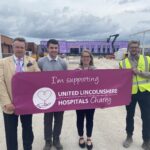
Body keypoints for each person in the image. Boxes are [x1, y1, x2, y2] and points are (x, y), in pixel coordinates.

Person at [0, 37, 40, 150]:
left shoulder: (32, 61)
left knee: (27, 129)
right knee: (11, 132)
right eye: (17, 47)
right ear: (12, 47)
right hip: (10, 105)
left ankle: (28, 148)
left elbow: (38, 79)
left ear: (25, 48)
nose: (19, 49)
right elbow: (0, 84)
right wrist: (7, 103)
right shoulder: (2, 62)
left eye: (22, 47)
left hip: (27, 104)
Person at [120, 40, 150, 150]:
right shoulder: (122, 63)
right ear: (128, 48)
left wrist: (140, 72)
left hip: (145, 92)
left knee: (147, 117)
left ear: (139, 48)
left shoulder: (147, 60)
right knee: (129, 116)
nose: (134, 49)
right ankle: (129, 137)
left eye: (136, 47)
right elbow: (119, 80)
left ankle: (146, 140)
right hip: (130, 93)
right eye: (132, 47)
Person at [38, 39, 67, 150]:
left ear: (58, 48)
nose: (54, 50)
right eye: (51, 48)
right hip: (46, 97)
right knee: (47, 120)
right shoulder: (41, 62)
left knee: (59, 120)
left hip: (59, 97)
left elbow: (66, 80)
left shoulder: (63, 63)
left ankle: (56, 139)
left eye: (56, 48)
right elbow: (36, 78)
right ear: (47, 48)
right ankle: (48, 141)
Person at [76, 49, 96, 150]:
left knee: (89, 119)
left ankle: (89, 137)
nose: (85, 58)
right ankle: (81, 137)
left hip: (91, 100)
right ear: (81, 58)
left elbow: (101, 85)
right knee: (79, 119)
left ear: (90, 58)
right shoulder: (76, 70)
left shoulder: (95, 70)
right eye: (84, 56)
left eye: (87, 57)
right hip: (79, 100)